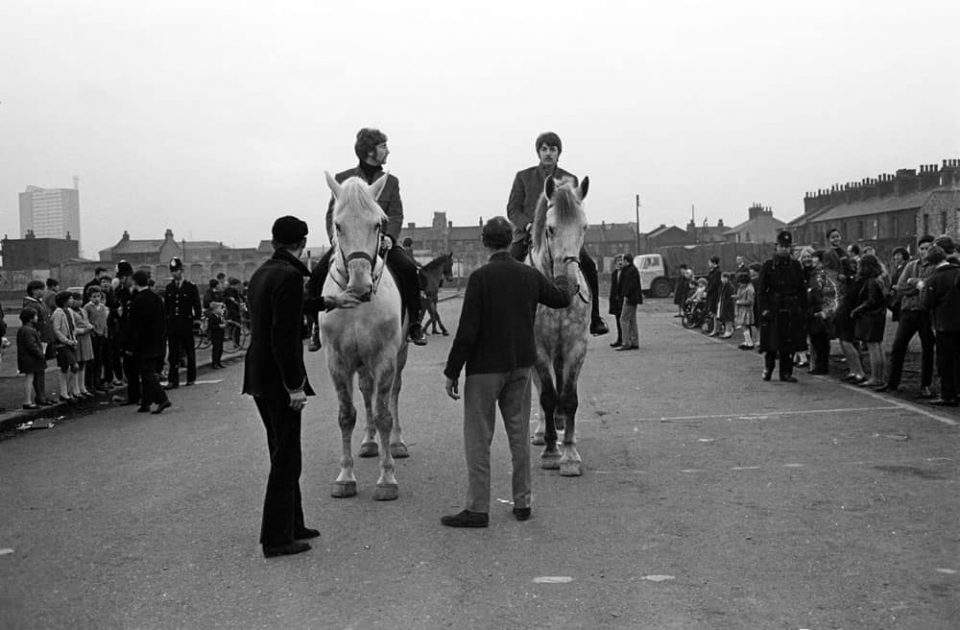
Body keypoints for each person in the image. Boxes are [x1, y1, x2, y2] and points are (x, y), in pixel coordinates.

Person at [441, 216, 574, 528]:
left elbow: (467, 331)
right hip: (520, 367)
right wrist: (564, 275)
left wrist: (452, 371)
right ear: (510, 240)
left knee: (478, 440)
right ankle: (522, 503)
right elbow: (560, 298)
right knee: (518, 437)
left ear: (485, 243)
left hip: (484, 370)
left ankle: (477, 509)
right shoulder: (528, 275)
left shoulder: (480, 278)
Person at [243, 215, 360, 557]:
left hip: (258, 376)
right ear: (303, 242)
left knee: (282, 452)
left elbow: (287, 308)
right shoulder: (292, 276)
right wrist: (294, 385)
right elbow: (283, 336)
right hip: (279, 379)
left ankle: (294, 523)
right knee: (286, 460)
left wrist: (329, 301)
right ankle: (276, 538)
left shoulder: (263, 272)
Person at [309, 127, 427, 348]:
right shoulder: (342, 179)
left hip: (381, 242)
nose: (388, 151)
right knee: (317, 274)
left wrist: (390, 236)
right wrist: (336, 241)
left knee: (409, 270)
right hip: (350, 244)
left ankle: (414, 324)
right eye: (383, 146)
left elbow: (396, 213)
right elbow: (331, 214)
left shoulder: (390, 182)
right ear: (370, 151)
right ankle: (316, 326)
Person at [506, 131, 608, 337]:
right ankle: (505, 320)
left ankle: (595, 317)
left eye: (552, 149)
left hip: (563, 238)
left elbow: (574, 211)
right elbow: (513, 209)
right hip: (528, 236)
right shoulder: (523, 177)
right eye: (544, 149)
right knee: (508, 266)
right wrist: (528, 225)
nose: (548, 153)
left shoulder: (570, 178)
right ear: (538, 152)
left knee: (588, 265)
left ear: (558, 153)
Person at [881, 235, 935, 395]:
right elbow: (901, 287)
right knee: (898, 347)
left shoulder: (935, 267)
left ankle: (925, 385)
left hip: (925, 313)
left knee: (928, 349)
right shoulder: (911, 265)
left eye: (928, 248)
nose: (924, 251)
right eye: (922, 248)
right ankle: (892, 383)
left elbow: (929, 287)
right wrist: (915, 285)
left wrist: (916, 285)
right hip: (907, 312)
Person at [757, 231, 807, 382]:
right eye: (782, 246)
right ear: (776, 247)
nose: (784, 249)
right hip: (773, 307)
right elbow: (761, 291)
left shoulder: (796, 266)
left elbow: (801, 289)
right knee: (772, 343)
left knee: (789, 343)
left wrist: (802, 308)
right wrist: (764, 309)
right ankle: (768, 368)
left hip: (791, 307)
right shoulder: (768, 265)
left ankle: (786, 373)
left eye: (787, 246)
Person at [920, 244, 960, 406]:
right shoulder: (958, 271)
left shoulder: (934, 279)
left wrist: (921, 288)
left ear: (930, 262)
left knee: (945, 361)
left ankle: (947, 394)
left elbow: (926, 304)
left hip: (944, 324)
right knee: (959, 358)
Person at [128, 270, 170, 414]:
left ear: (135, 283)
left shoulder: (138, 300)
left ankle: (162, 398)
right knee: (148, 371)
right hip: (157, 341)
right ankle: (146, 403)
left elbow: (135, 326)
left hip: (143, 343)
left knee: (146, 372)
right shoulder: (156, 298)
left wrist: (131, 345)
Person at [164, 257, 202, 389]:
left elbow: (197, 306)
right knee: (173, 354)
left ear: (182, 270)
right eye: (173, 271)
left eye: (177, 270)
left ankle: (191, 377)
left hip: (187, 324)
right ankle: (172, 380)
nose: (175, 273)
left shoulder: (190, 287)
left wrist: (197, 323)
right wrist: (166, 323)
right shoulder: (169, 288)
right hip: (173, 325)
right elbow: (167, 308)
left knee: (189, 351)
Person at [850, 254, 888, 389]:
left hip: (871, 316)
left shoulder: (871, 282)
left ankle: (875, 377)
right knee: (878, 346)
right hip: (879, 316)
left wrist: (856, 310)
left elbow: (871, 301)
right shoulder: (879, 279)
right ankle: (880, 376)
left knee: (873, 347)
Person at [835, 257, 867, 384]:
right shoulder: (848, 281)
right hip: (844, 311)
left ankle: (859, 371)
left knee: (847, 341)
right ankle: (854, 370)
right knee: (845, 342)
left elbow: (851, 296)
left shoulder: (855, 281)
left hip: (848, 312)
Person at [23, 279, 54, 405]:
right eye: (41, 289)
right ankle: (40, 397)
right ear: (34, 290)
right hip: (38, 341)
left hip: (43, 340)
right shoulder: (31, 305)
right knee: (38, 369)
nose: (44, 291)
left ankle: (42, 395)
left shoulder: (39, 303)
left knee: (41, 369)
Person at [806, 250, 837, 374]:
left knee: (820, 339)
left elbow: (823, 292)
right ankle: (820, 365)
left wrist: (823, 309)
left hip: (819, 310)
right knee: (816, 339)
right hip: (815, 309)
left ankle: (822, 366)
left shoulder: (822, 274)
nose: (812, 260)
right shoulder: (816, 273)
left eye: (814, 257)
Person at [51, 290, 80, 402]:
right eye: (70, 299)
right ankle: (65, 391)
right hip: (62, 344)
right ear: (64, 301)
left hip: (71, 343)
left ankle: (67, 391)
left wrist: (74, 339)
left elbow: (73, 326)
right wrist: (67, 340)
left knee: (67, 367)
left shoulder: (70, 311)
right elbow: (56, 330)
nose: (72, 301)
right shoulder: (58, 313)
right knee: (73, 366)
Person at [17, 307, 46, 410]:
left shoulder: (24, 329)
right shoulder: (28, 330)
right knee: (29, 379)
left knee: (30, 378)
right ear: (30, 318)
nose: (37, 318)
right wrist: (41, 354)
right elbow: (31, 345)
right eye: (36, 316)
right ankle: (27, 401)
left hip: (27, 359)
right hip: (30, 360)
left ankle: (28, 400)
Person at [83, 285, 109, 393]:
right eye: (94, 296)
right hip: (92, 336)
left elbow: (104, 322)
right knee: (91, 361)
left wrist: (105, 332)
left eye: (98, 296)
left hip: (102, 336)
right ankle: (90, 384)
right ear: (89, 298)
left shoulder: (103, 307)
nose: (96, 299)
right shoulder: (87, 307)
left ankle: (98, 382)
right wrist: (92, 330)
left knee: (99, 360)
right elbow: (85, 321)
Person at [71, 292, 95, 398]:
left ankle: (82, 387)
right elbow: (72, 328)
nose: (79, 301)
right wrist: (85, 329)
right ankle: (75, 389)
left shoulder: (83, 311)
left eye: (80, 299)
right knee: (77, 364)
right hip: (78, 339)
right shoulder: (70, 312)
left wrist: (90, 326)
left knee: (84, 363)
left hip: (86, 339)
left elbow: (86, 321)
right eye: (77, 299)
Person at [617, 253, 641, 350]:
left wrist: (625, 295)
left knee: (623, 319)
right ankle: (635, 341)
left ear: (626, 261)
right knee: (632, 320)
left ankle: (626, 342)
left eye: (623, 260)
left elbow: (627, 285)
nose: (621, 262)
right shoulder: (633, 270)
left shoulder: (628, 271)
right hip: (634, 298)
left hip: (629, 298)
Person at [734, 271, 756, 350]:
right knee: (744, 327)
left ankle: (749, 343)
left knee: (746, 327)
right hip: (743, 310)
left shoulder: (749, 289)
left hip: (747, 310)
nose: (739, 284)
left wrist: (739, 302)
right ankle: (747, 341)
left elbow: (750, 301)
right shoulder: (743, 288)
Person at [888, 247, 910, 323]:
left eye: (898, 255)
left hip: (902, 297)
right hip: (896, 296)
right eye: (895, 255)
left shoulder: (907, 267)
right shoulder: (896, 267)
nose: (896, 257)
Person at [609, 255, 624, 347]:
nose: (620, 262)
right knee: (618, 321)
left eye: (621, 260)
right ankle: (620, 339)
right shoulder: (614, 273)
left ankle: (626, 339)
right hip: (616, 300)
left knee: (625, 321)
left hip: (624, 300)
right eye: (618, 260)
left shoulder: (627, 273)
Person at [704, 256, 722, 336]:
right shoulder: (712, 272)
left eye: (709, 262)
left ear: (714, 263)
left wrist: (708, 290)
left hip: (715, 294)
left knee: (715, 312)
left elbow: (714, 284)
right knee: (713, 312)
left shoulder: (717, 272)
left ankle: (716, 330)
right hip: (711, 294)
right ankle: (715, 329)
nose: (708, 264)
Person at [716, 271, 736, 338]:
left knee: (728, 319)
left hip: (728, 305)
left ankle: (728, 332)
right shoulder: (722, 286)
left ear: (726, 278)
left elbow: (730, 298)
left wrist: (727, 304)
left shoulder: (730, 287)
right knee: (725, 318)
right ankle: (727, 331)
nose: (722, 279)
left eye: (723, 278)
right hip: (723, 304)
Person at [208, 301, 226, 369]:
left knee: (220, 349)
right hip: (215, 336)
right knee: (216, 349)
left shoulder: (220, 316)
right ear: (215, 309)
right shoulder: (212, 317)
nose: (221, 310)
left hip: (220, 335)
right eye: (220, 308)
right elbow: (211, 326)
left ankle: (219, 362)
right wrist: (219, 326)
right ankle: (214, 363)